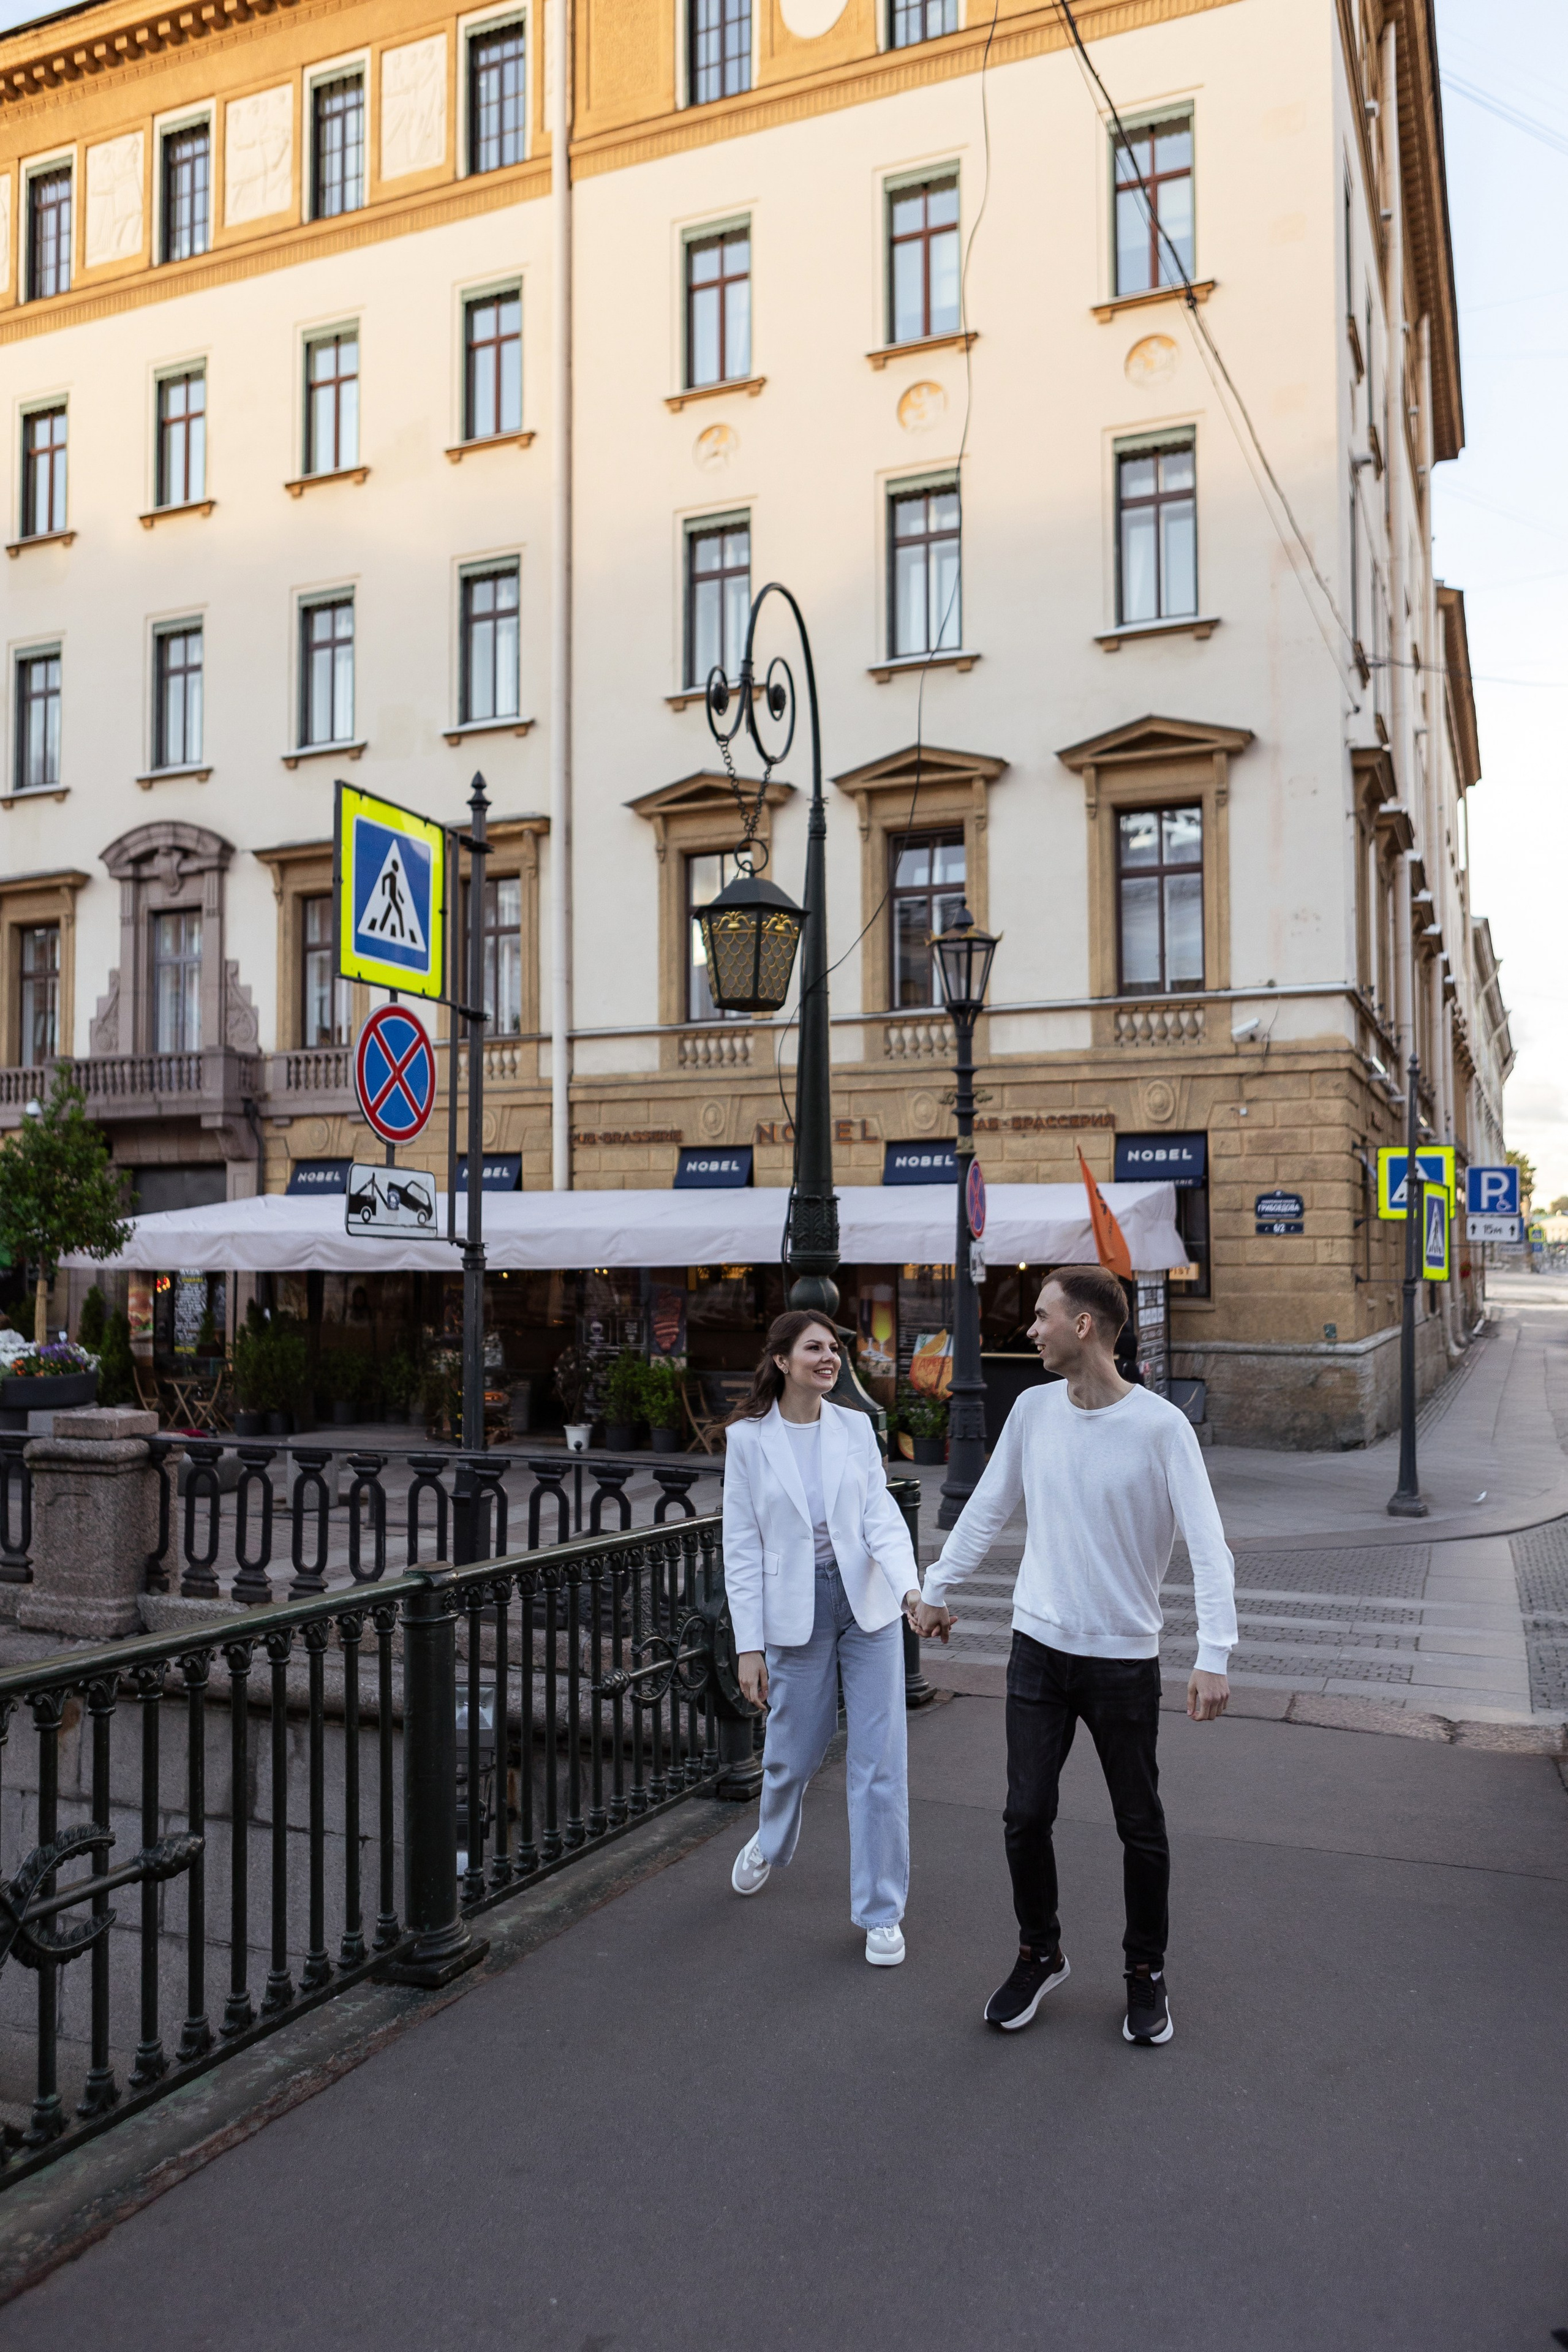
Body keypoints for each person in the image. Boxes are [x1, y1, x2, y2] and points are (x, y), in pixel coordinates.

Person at [913, 1264, 1235, 2044]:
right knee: (1024, 1814)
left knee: (1139, 1825)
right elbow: (986, 1509)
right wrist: (935, 1586)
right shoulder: (1029, 1410)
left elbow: (1209, 1545)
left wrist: (1213, 1651)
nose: (1031, 1329)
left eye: (1041, 1315)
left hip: (1123, 1660)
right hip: (1038, 1649)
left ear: (1082, 1326)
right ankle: (1039, 1951)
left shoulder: (1161, 1428)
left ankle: (1145, 1974)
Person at [722, 1309, 922, 1966]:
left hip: (866, 1606)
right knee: (792, 1755)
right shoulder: (749, 1440)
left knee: (880, 1764)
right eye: (814, 1348)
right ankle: (770, 1841)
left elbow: (879, 1517)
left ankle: (881, 1912)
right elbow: (742, 1547)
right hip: (794, 1612)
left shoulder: (855, 1427)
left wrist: (909, 1590)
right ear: (782, 1360)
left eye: (834, 1348)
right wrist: (747, 1646)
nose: (829, 1357)